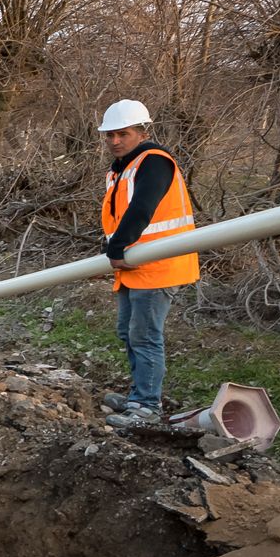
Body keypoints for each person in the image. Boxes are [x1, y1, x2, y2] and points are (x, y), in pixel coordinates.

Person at [94, 99, 199, 429]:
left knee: (144, 336)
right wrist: (114, 243)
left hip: (158, 264)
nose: (114, 141)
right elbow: (122, 214)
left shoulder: (153, 162)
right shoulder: (122, 167)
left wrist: (118, 245)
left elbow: (142, 209)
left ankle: (145, 405)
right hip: (134, 264)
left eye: (122, 134)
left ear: (142, 131)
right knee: (127, 332)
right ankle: (138, 394)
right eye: (109, 135)